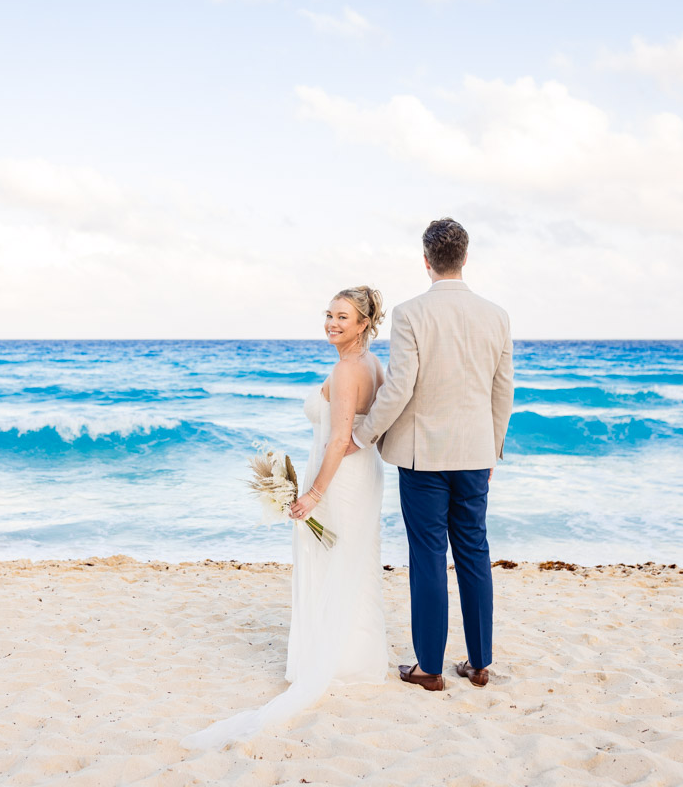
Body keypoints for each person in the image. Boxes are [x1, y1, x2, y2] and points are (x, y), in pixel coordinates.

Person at [181, 286, 389, 749]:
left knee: (332, 561)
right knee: (351, 562)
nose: (332, 323)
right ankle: (354, 657)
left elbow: (338, 439)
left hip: (340, 479)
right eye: (329, 314)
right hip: (361, 476)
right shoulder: (374, 364)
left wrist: (314, 492)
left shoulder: (347, 369)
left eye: (342, 317)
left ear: (362, 323)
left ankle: (333, 660)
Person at [350, 217, 513, 692]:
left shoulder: (410, 313)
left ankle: (429, 668)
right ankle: (479, 663)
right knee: (474, 553)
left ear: (426, 261)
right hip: (475, 453)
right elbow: (503, 391)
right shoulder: (496, 315)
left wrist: (364, 434)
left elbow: (400, 387)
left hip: (424, 458)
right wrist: (493, 449)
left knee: (427, 557)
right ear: (464, 259)